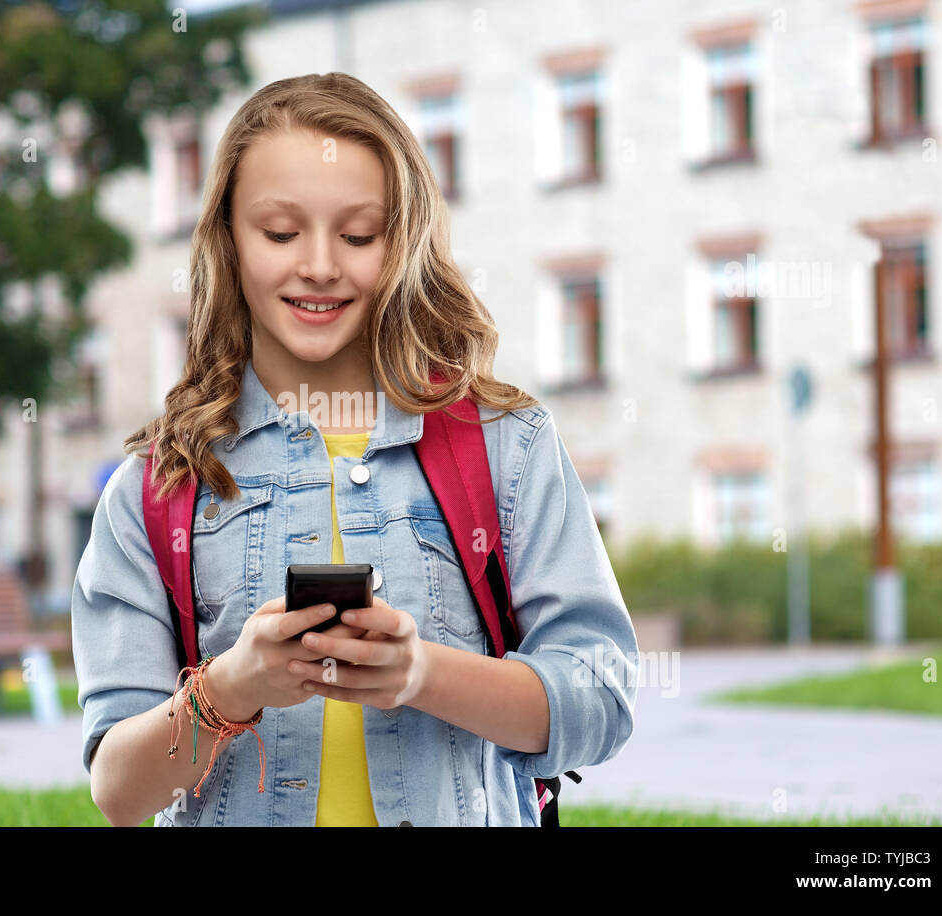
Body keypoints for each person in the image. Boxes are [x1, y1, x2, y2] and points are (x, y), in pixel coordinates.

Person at [72, 72, 638, 827]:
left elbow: (600, 698)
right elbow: (118, 790)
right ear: (229, 242)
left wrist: (421, 673)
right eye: (279, 232)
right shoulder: (156, 485)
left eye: (358, 235)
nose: (319, 265)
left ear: (400, 243)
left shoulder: (508, 447)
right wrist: (232, 686)